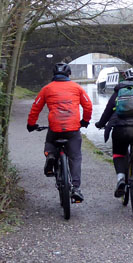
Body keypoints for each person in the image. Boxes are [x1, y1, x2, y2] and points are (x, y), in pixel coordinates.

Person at [27, 62, 92, 202]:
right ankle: (76, 188)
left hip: (55, 126)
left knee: (50, 141)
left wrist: (31, 124)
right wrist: (85, 121)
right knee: (75, 157)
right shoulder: (77, 88)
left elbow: (36, 107)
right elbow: (88, 105)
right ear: (69, 74)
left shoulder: (46, 89)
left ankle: (50, 155)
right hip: (73, 128)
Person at [94, 67, 133, 198]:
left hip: (121, 129)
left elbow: (107, 112)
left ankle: (121, 179)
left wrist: (100, 124)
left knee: (118, 152)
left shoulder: (118, 92)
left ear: (125, 79)